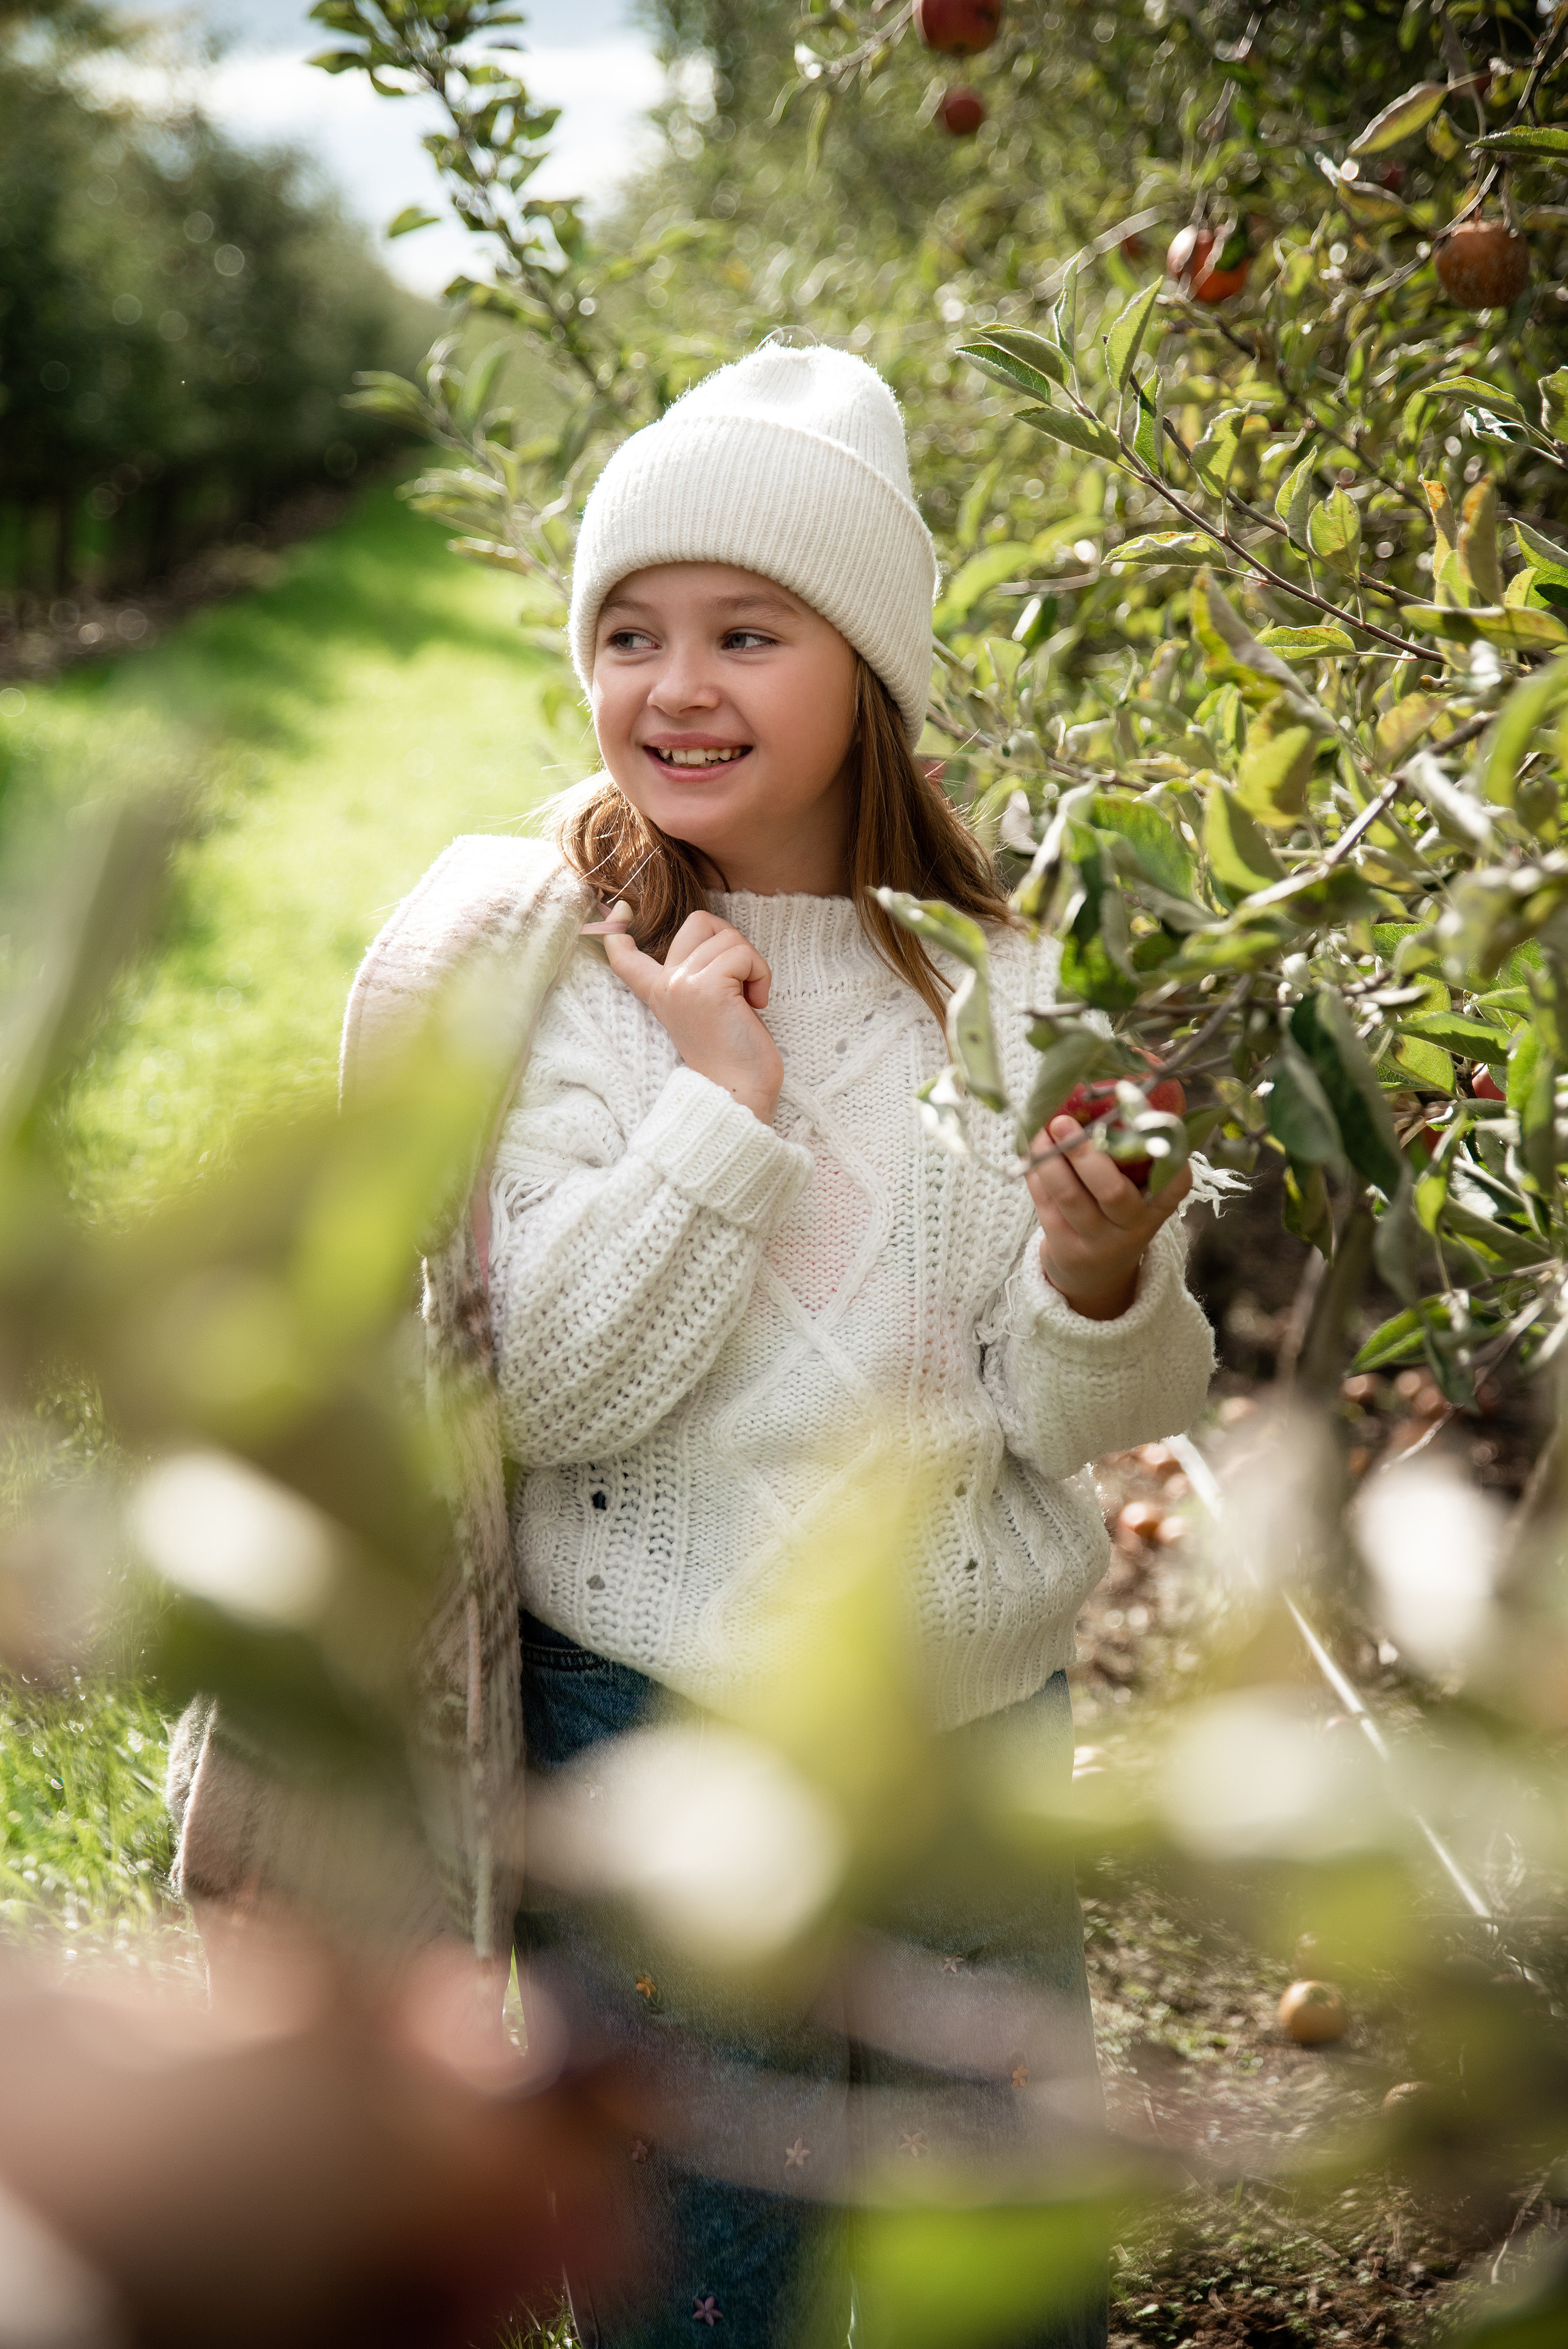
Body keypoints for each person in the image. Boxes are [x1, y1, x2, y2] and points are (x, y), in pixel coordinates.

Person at [485, 339, 1216, 2349]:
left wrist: (1098, 1274)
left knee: (1007, 2267)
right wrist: (718, 1105)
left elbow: (1100, 1416)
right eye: (628, 631)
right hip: (651, 1725)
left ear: (867, 672)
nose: (675, 685)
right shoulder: (561, 986)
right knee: (703, 2281)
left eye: (747, 629)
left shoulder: (1005, 993)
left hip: (965, 1735)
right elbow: (548, 1388)